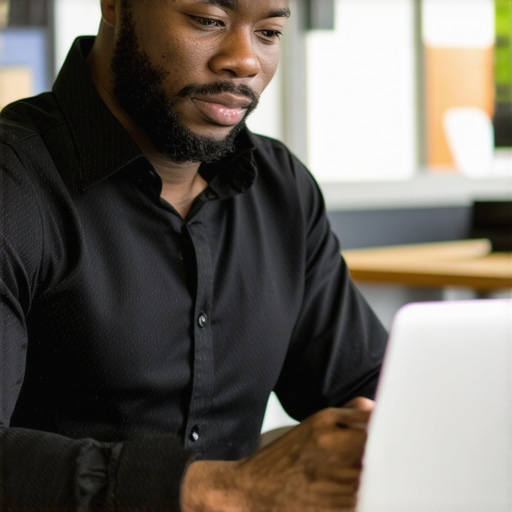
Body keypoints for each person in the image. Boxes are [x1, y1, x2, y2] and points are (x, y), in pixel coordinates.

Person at [0, 0, 388, 510]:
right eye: (208, 21)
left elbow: (369, 388)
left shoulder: (282, 189)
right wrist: (221, 488)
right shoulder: (15, 184)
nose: (244, 60)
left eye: (269, 32)